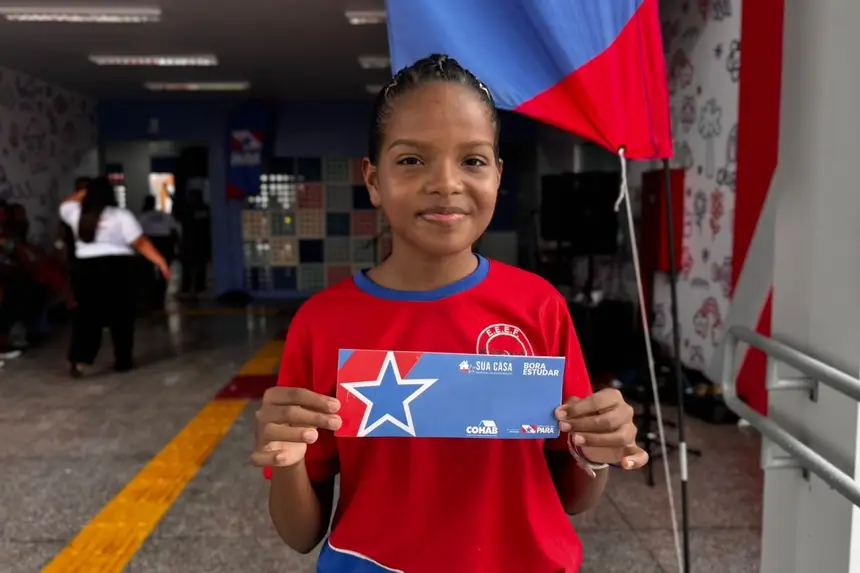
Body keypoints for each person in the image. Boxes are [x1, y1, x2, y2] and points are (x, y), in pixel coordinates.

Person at [251, 54, 648, 572]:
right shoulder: (323, 323)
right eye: (411, 160)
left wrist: (597, 448)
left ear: (498, 176)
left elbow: (575, 497)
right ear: (373, 180)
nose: (445, 182)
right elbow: (301, 533)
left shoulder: (538, 307)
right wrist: (286, 459)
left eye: (473, 160)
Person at [60, 176, 170, 377]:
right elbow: (140, 243)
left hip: (85, 268)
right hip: (118, 267)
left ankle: (79, 360)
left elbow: (67, 202)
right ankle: (123, 360)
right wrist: (160, 261)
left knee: (86, 316)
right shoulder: (121, 215)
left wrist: (86, 191)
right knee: (122, 315)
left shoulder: (75, 213)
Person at [138, 195, 180, 310]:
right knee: (164, 270)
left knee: (147, 271)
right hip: (165, 242)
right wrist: (175, 246)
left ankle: (150, 296)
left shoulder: (143, 217)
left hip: (150, 241)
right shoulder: (164, 215)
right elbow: (174, 231)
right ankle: (160, 297)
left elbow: (138, 234)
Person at [178, 188, 210, 299]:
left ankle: (186, 289)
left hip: (189, 241)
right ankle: (199, 288)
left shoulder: (187, 208)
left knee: (187, 267)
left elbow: (181, 221)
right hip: (202, 242)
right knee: (201, 267)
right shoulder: (205, 208)